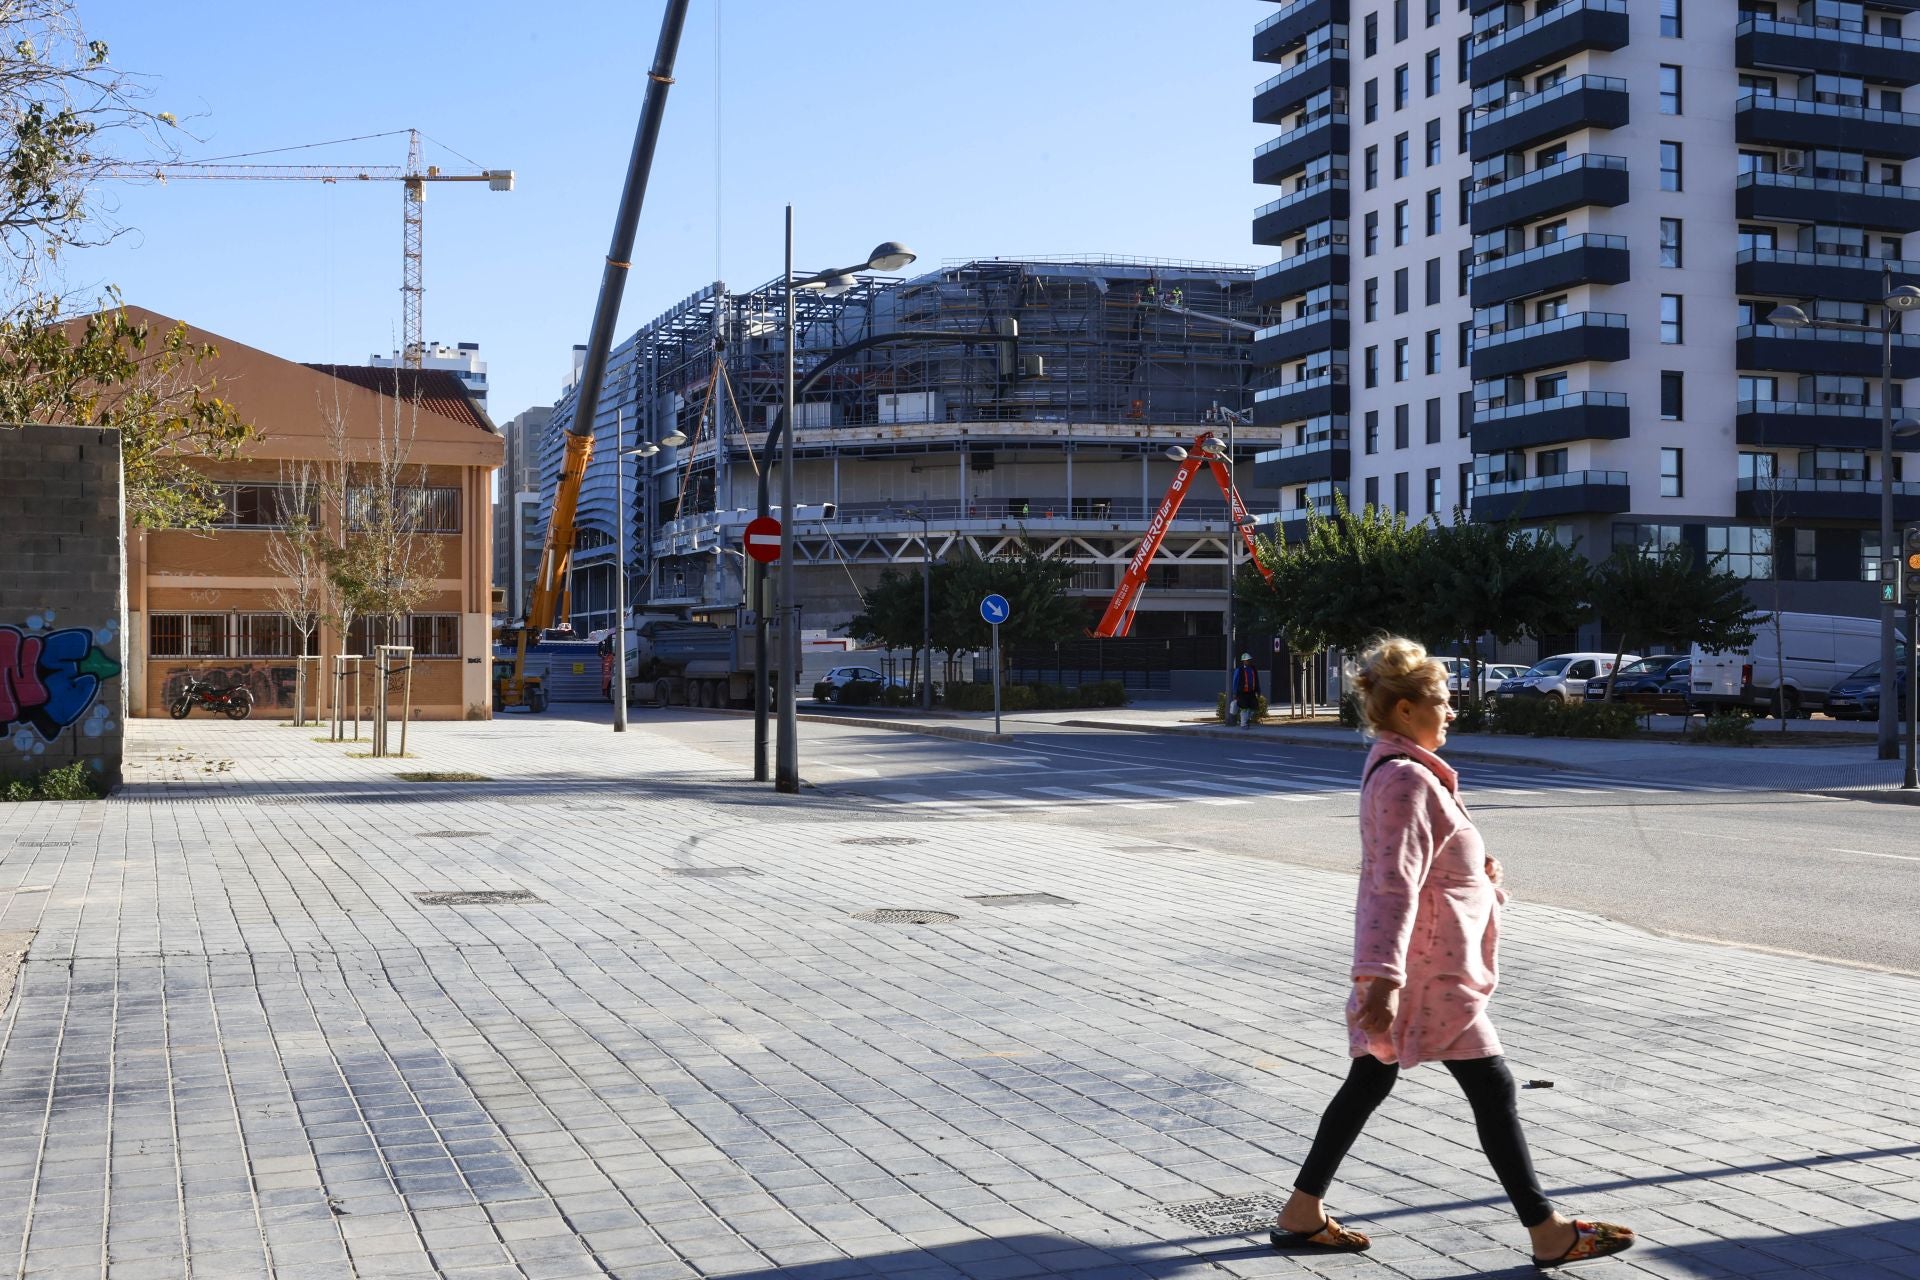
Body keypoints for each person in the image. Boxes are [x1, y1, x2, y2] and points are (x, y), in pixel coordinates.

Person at [1271, 636, 1634, 1269]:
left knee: (1370, 1081)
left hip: (1424, 964)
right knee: (1492, 1087)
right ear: (1407, 710)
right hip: (1427, 971)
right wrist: (1380, 980)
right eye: (1442, 700)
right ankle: (1547, 1231)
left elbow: (1424, 866)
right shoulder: (1407, 779)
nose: (1452, 711)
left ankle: (1302, 1212)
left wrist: (1477, 874)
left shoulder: (1408, 770)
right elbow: (1392, 883)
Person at [1232, 653, 1261, 727]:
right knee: (1244, 708)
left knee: (1254, 707)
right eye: (1247, 660)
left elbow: (1256, 680)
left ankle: (1245, 719)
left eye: (1249, 660)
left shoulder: (1253, 669)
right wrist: (1235, 693)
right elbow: (1235, 681)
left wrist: (1258, 691)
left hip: (1251, 693)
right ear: (1243, 661)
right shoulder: (1239, 670)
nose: (1249, 661)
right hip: (1242, 693)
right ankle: (1243, 724)